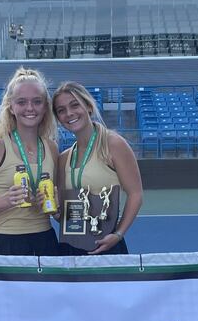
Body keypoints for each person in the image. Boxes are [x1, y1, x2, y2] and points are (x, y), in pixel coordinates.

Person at [0, 67, 60, 255]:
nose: (30, 108)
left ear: (45, 106)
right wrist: (7, 201)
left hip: (45, 241)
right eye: (22, 102)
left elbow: (55, 208)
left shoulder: (51, 147)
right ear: (11, 106)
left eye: (37, 102)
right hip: (4, 243)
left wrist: (54, 207)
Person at [52, 82, 143, 255]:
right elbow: (68, 214)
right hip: (71, 248)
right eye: (61, 110)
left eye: (75, 105)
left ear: (88, 106)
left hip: (107, 247)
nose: (69, 113)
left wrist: (118, 234)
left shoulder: (113, 144)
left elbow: (136, 194)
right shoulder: (63, 158)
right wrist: (57, 214)